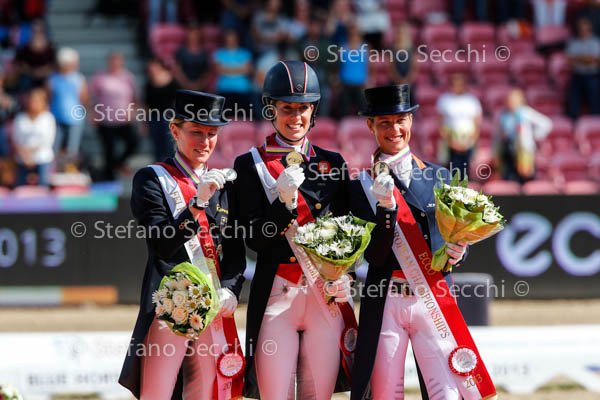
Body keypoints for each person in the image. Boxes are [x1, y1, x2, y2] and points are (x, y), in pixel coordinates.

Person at [350, 84, 496, 400]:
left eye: (400, 120)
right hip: (385, 298)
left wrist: (460, 250)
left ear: (411, 121)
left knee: (446, 391)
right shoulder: (359, 187)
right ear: (371, 126)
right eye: (385, 122)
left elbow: (453, 240)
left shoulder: (440, 177)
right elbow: (373, 256)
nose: (394, 130)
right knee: (385, 393)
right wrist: (385, 211)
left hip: (432, 297)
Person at [233, 60, 355, 399]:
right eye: (287, 108)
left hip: (323, 296)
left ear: (313, 110)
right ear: (271, 108)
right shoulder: (249, 165)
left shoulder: (333, 163)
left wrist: (347, 277)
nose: (296, 116)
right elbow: (254, 239)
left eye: (303, 108)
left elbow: (349, 233)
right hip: (277, 295)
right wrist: (283, 204)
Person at [119, 89, 246, 399]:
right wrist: (196, 206)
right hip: (169, 305)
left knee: (207, 392)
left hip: (212, 306)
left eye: (212, 134)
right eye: (196, 132)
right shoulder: (152, 179)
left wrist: (231, 289)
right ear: (175, 131)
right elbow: (162, 244)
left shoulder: (225, 184)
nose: (205, 142)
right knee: (157, 393)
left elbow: (234, 250)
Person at [90, 51, 139, 180]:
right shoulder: (100, 77)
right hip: (105, 119)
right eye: (112, 61)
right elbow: (92, 97)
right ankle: (109, 177)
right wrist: (93, 114)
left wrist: (133, 112)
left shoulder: (128, 77)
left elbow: (134, 97)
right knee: (109, 149)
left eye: (117, 61)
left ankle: (118, 163)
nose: (115, 64)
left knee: (134, 142)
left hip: (123, 119)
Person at [496, 88, 552, 182]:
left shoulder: (526, 112)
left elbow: (546, 123)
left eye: (514, 100)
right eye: (510, 100)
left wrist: (533, 136)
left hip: (524, 151)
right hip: (509, 151)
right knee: (509, 179)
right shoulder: (504, 115)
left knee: (526, 177)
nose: (511, 102)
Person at [436, 72, 482, 179]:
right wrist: (451, 142)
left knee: (466, 171)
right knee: (452, 172)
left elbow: (477, 123)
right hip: (451, 142)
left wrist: (469, 142)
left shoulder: (472, 101)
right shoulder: (444, 100)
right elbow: (440, 123)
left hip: (468, 142)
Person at [48, 47, 88, 166]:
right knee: (54, 148)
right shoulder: (53, 79)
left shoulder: (79, 78)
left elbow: (84, 98)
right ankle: (54, 168)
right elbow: (49, 97)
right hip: (56, 118)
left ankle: (70, 169)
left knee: (72, 150)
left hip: (75, 119)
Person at [13, 87, 55, 186]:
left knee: (43, 185)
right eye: (32, 100)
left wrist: (31, 154)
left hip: (43, 158)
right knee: (20, 186)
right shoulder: (20, 118)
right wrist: (25, 157)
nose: (34, 103)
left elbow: (47, 141)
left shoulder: (48, 118)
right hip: (22, 159)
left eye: (37, 101)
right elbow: (16, 140)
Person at [143, 57, 179, 162]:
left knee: (169, 145)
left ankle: (171, 167)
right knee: (157, 145)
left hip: (168, 118)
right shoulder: (149, 83)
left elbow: (177, 101)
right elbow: (146, 104)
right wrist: (144, 122)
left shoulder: (172, 81)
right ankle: (158, 167)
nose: (152, 69)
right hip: (154, 117)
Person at [566, 17, 600, 119]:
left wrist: (579, 58)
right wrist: (587, 59)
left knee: (595, 102)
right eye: (581, 29)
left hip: (592, 76)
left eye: (585, 29)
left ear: (590, 29)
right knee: (573, 102)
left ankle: (596, 123)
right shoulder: (573, 42)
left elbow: (596, 60)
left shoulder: (596, 42)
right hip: (577, 75)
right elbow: (570, 60)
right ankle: (573, 123)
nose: (583, 31)